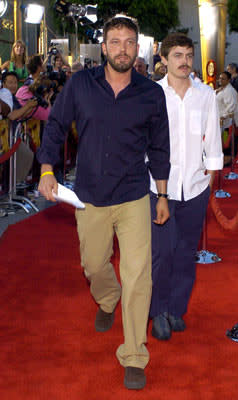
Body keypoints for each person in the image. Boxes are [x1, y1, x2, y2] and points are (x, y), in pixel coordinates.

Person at [37, 15, 170, 390]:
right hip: (90, 195)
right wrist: (47, 169)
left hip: (133, 195)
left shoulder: (150, 93)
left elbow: (161, 148)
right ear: (104, 46)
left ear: (137, 48)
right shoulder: (81, 84)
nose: (123, 48)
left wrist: (161, 195)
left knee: (138, 274)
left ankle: (133, 353)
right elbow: (57, 126)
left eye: (130, 42)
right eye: (115, 41)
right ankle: (108, 297)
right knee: (94, 263)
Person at [149, 33, 223, 341]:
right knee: (161, 253)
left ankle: (176, 309)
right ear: (163, 59)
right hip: (157, 187)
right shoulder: (151, 94)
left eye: (188, 55)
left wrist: (212, 178)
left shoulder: (206, 95)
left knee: (185, 252)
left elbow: (213, 137)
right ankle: (158, 310)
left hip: (195, 186)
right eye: (177, 55)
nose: (184, 61)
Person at [216, 71, 238, 164]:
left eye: (223, 79)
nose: (220, 80)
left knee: (226, 142)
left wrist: (223, 116)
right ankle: (225, 159)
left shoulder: (230, 91)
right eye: (220, 78)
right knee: (223, 141)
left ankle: (227, 160)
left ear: (229, 80)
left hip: (227, 123)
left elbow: (232, 106)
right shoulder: (223, 89)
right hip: (223, 122)